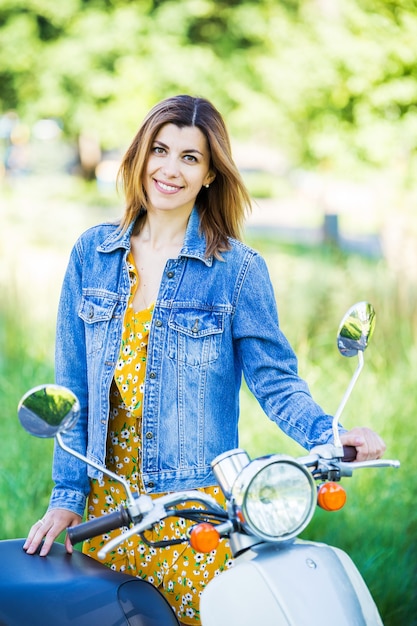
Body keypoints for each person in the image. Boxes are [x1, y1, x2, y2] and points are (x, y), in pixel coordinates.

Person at [24, 95, 386, 625]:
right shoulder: (92, 254)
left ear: (211, 174)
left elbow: (276, 381)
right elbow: (71, 389)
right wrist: (66, 496)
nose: (170, 169)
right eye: (160, 150)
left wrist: (329, 436)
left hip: (193, 518)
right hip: (108, 517)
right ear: (140, 156)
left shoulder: (237, 270)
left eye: (190, 158)